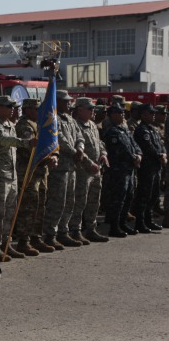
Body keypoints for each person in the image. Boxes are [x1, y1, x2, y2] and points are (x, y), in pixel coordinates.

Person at [0, 96, 35, 260]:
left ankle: (6, 244)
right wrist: (26, 142)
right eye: (8, 106)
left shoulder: (10, 125)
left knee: (10, 213)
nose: (12, 109)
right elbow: (4, 140)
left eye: (12, 106)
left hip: (11, 176)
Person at [42, 90, 85, 249]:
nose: (69, 103)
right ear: (57, 101)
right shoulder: (53, 119)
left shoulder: (71, 120)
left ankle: (63, 231)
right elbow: (60, 139)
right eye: (65, 101)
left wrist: (80, 148)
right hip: (59, 167)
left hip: (72, 166)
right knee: (57, 200)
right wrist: (75, 152)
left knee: (69, 200)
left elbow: (80, 136)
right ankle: (50, 233)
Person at [14, 99, 58, 256]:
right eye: (35, 109)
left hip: (41, 172)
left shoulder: (40, 124)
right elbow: (30, 150)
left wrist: (54, 156)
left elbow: (50, 142)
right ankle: (23, 241)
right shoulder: (24, 126)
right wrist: (48, 158)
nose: (39, 112)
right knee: (28, 207)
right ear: (26, 110)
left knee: (40, 206)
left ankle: (36, 237)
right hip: (29, 172)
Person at [69, 98, 110, 243]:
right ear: (80, 110)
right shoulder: (74, 125)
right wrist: (89, 162)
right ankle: (75, 230)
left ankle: (91, 229)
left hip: (96, 169)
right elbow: (76, 147)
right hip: (83, 170)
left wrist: (104, 154)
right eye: (90, 108)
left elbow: (99, 143)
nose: (93, 111)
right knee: (80, 200)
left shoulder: (92, 125)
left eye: (93, 109)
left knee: (94, 201)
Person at [103, 105, 142, 237]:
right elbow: (119, 151)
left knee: (128, 197)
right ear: (112, 114)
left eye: (123, 112)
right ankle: (114, 226)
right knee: (118, 198)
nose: (123, 115)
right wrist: (133, 158)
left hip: (129, 169)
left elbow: (134, 145)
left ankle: (122, 222)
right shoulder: (112, 131)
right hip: (118, 170)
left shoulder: (124, 130)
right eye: (120, 112)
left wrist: (138, 155)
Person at [132, 103, 166, 232]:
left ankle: (149, 220)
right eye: (150, 113)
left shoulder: (152, 128)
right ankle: (140, 223)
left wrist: (163, 153)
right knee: (144, 195)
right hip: (147, 167)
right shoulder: (141, 130)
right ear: (143, 114)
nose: (153, 115)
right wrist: (159, 155)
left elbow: (160, 144)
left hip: (156, 166)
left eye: (154, 113)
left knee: (154, 194)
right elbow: (147, 147)